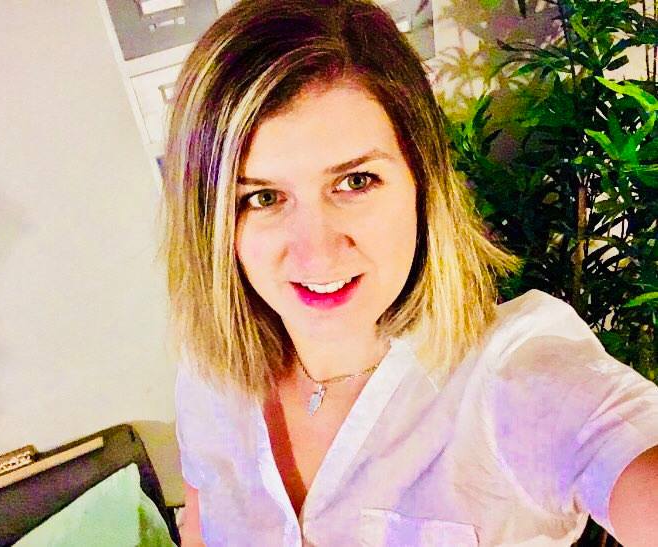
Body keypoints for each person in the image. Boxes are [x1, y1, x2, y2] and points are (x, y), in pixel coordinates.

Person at [158, 1, 658, 545]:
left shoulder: (513, 375)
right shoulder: (210, 379)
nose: (317, 252)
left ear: (422, 181)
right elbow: (200, 527)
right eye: (263, 198)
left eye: (355, 182)